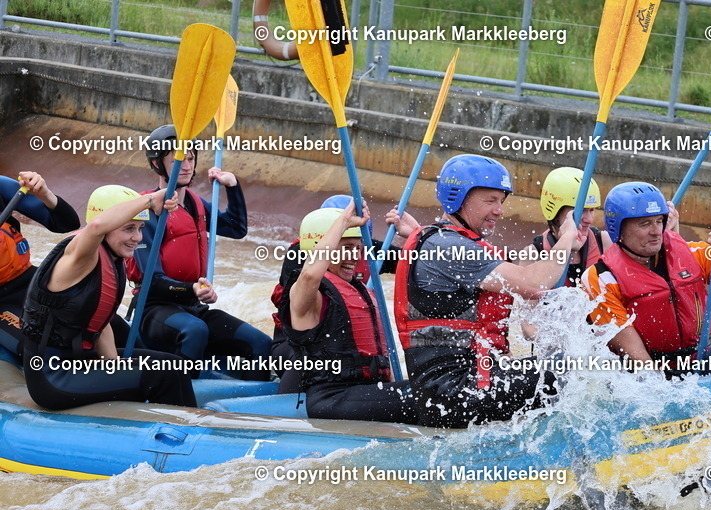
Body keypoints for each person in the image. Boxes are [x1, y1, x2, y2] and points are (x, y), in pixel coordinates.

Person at [390, 153, 584, 428]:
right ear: (457, 199)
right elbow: (533, 284)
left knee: (566, 362)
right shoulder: (447, 247)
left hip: (467, 380)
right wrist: (566, 238)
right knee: (571, 370)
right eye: (490, 200)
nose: (499, 210)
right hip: (454, 392)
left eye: (501, 201)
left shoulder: (444, 241)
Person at [21, 185, 196, 410]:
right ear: (108, 226)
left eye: (140, 228)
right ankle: (183, 436)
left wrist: (116, 370)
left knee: (172, 364)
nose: (137, 237)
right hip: (53, 376)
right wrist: (150, 200)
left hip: (81, 361)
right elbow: (95, 226)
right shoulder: (80, 256)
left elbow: (100, 323)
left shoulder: (111, 257)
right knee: (164, 374)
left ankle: (186, 423)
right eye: (128, 228)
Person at [581, 181, 711, 375]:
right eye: (645, 224)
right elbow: (639, 359)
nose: (656, 231)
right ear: (619, 229)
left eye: (659, 221)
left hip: (694, 357)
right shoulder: (601, 279)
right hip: (645, 370)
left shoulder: (691, 254)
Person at [130, 124, 271, 378]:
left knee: (260, 344)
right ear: (157, 163)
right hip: (153, 310)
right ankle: (181, 403)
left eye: (191, 158)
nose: (186, 165)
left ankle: (250, 412)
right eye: (178, 159)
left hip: (194, 307)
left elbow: (237, 228)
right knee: (195, 331)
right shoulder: (147, 211)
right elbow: (151, 281)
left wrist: (233, 186)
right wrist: (191, 289)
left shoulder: (196, 204)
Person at [278, 204, 414, 422]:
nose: (354, 256)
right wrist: (342, 222)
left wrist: (417, 234)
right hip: (331, 399)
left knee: (434, 387)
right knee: (431, 395)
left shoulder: (360, 291)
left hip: (363, 394)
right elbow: (310, 275)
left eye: (358, 248)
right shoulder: (306, 294)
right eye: (347, 247)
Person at [0, 172, 81, 360]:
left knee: (108, 324)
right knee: (40, 351)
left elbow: (66, 224)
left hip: (30, 283)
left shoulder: (1, 187)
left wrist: (45, 194)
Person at [528, 166, 610, 287]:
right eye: (581, 211)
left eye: (591, 210)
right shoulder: (534, 253)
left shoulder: (604, 242)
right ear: (555, 212)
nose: (589, 219)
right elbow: (525, 304)